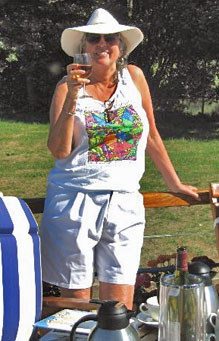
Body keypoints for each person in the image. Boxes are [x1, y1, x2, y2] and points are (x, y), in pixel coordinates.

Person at [40, 8, 199, 309]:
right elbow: (59, 150)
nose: (102, 44)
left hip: (125, 204)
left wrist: (174, 182)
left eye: (110, 38)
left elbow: (151, 134)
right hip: (75, 203)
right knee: (77, 307)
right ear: (83, 48)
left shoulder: (134, 78)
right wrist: (73, 97)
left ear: (121, 46)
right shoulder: (66, 87)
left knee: (120, 308)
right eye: (93, 39)